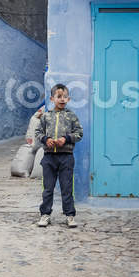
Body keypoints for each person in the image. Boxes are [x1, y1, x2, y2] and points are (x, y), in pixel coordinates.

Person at [34, 83, 83, 228]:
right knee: (48, 188)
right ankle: (45, 214)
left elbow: (79, 133)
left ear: (68, 99)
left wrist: (66, 139)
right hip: (49, 157)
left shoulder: (71, 116)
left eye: (65, 97)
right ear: (52, 98)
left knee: (67, 188)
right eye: (59, 96)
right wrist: (46, 140)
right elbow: (38, 133)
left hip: (66, 157)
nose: (62, 99)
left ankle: (69, 215)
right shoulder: (46, 116)